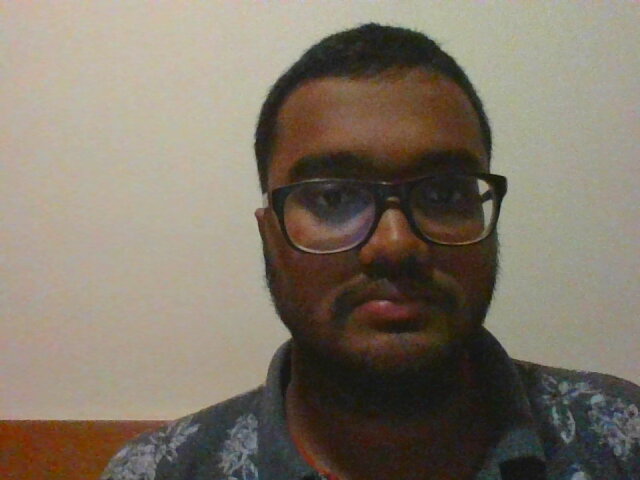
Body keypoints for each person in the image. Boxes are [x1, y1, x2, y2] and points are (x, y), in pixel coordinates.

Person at [101, 24, 639, 480]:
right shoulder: (160, 471)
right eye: (333, 198)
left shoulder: (623, 439)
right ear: (270, 236)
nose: (396, 244)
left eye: (444, 194)